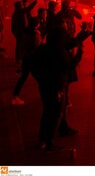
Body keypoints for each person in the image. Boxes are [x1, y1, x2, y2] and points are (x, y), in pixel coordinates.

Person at [30, 19, 83, 152]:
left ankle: (42, 139)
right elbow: (70, 65)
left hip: (44, 86)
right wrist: (80, 52)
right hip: (57, 88)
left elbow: (33, 66)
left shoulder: (42, 49)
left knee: (46, 112)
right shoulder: (59, 51)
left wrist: (40, 79)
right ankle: (49, 143)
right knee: (56, 114)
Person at [12, 17, 42, 105]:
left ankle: (15, 96)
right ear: (37, 25)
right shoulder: (36, 35)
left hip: (26, 57)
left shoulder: (27, 32)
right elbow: (38, 47)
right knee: (39, 77)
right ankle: (48, 95)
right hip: (33, 58)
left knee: (24, 77)